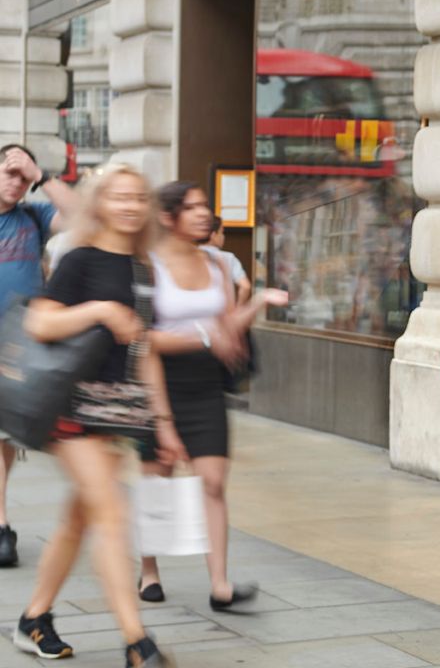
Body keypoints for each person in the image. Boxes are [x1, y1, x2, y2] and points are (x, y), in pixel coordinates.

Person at [15, 162, 182, 667]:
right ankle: (137, 641)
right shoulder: (80, 260)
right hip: (71, 410)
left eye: (139, 197)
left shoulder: (144, 268)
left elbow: (144, 348)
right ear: (100, 203)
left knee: (78, 518)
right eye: (120, 196)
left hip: (117, 412)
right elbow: (41, 322)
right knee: (112, 513)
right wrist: (100, 312)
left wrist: (164, 422)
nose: (131, 205)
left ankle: (33, 618)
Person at [137, 181, 273, 612]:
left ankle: (220, 584)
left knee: (213, 483)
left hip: (206, 385)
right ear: (167, 216)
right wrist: (203, 337)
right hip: (158, 384)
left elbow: (227, 327)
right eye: (192, 207)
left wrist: (259, 303)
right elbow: (143, 340)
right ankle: (149, 570)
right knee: (158, 480)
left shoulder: (216, 262)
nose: (204, 214)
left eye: (204, 206)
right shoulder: (148, 267)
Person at [0, 143, 77, 569]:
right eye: (9, 171)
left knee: (5, 441)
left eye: (21, 176)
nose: (16, 181)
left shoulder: (33, 216)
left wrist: (43, 175)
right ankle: (1, 526)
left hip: (19, 345)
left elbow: (82, 216)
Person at [202, 215, 250, 305]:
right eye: (221, 232)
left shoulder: (189, 256)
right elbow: (245, 286)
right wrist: (237, 311)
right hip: (223, 314)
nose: (223, 237)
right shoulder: (228, 258)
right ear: (213, 235)